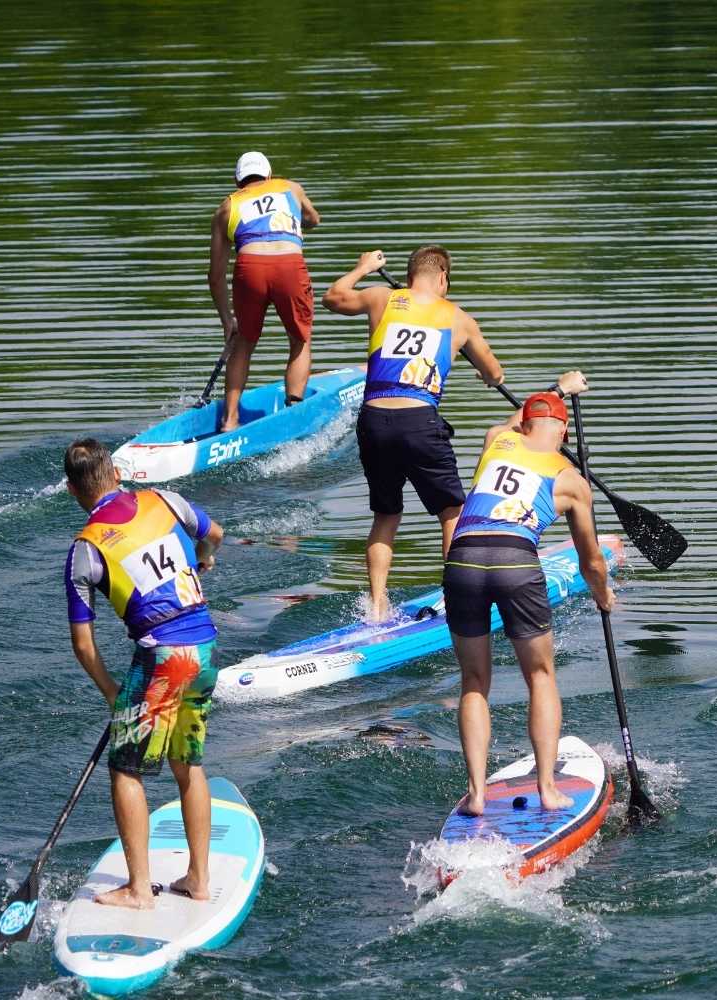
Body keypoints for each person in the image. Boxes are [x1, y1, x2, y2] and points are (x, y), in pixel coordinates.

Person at [63, 438, 225, 909]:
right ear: (115, 474)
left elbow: (82, 643)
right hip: (206, 646)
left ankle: (139, 890)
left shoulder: (85, 551)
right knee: (188, 763)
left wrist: (113, 691)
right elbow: (214, 532)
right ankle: (198, 878)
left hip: (162, 659)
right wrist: (204, 557)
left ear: (74, 491)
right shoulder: (165, 500)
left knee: (125, 769)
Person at [444, 374, 615, 815]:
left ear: (524, 425)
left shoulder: (496, 440)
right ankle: (546, 788)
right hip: (515, 560)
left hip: (462, 559)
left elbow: (520, 417)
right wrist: (603, 595)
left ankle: (477, 795)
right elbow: (590, 560)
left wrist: (558, 389)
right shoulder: (571, 480)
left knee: (474, 681)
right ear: (562, 431)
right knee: (540, 677)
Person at [322, 245, 505, 621]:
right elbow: (495, 373)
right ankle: (460, 596)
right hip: (419, 421)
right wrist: (483, 372)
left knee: (385, 515)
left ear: (408, 278)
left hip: (373, 421)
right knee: (452, 512)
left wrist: (362, 268)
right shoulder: (458, 319)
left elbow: (332, 298)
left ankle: (375, 607)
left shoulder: (381, 298)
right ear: (442, 279)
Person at [209, 151, 321, 432]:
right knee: (300, 338)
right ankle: (294, 411)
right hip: (289, 266)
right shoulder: (291, 188)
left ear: (238, 182)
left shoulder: (226, 207)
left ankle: (230, 419)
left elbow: (215, 276)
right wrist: (296, 221)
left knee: (244, 343)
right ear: (270, 175)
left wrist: (227, 320)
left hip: (249, 268)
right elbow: (314, 219)